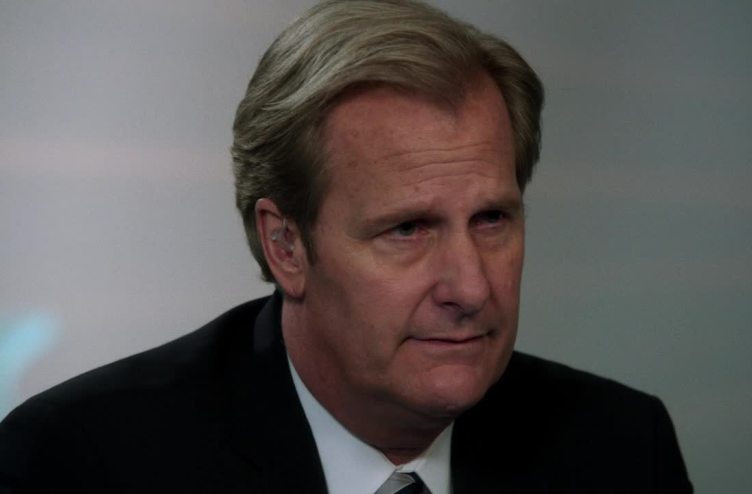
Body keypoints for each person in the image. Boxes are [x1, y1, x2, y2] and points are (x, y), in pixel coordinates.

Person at [0, 0, 692, 492]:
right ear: (286, 246)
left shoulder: (623, 449)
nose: (472, 288)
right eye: (407, 229)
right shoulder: (82, 462)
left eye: (491, 219)